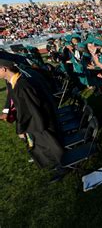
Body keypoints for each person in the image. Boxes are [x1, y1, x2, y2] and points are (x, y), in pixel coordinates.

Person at [0, 54, 65, 182]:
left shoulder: (22, 84)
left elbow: (29, 110)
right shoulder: (15, 82)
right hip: (38, 119)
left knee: (52, 144)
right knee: (48, 145)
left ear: (4, 69)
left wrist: (22, 129)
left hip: (40, 121)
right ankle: (59, 164)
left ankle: (65, 165)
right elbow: (17, 103)